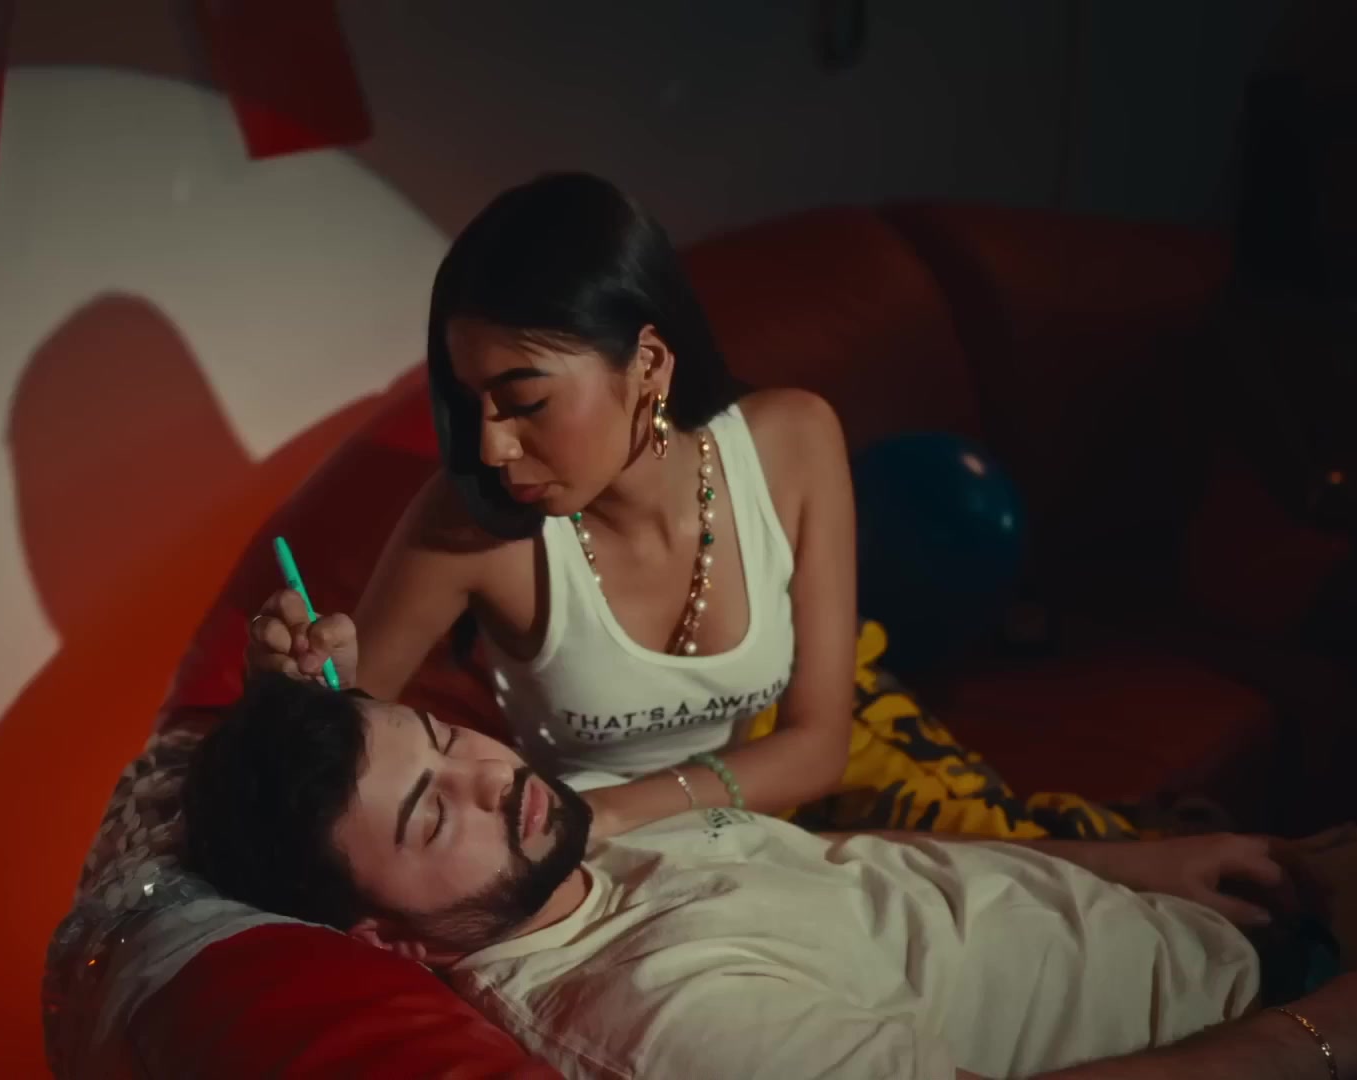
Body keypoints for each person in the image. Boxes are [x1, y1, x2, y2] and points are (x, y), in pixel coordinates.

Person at [246, 171, 1132, 843]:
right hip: (650, 860)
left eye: (525, 400)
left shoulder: (793, 440)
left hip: (789, 800)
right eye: (471, 401)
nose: (492, 447)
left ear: (650, 364)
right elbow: (326, 775)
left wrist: (606, 814)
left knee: (1095, 870)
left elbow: (818, 744)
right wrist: (300, 690)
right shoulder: (470, 526)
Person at [184, 672, 1357, 1080]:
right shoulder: (653, 1015)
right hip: (1287, 1015)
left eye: (446, 736)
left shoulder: (578, 844)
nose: (488, 774)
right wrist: (1335, 1035)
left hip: (1226, 914)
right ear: (393, 942)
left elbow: (862, 863)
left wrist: (1141, 860)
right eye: (432, 813)